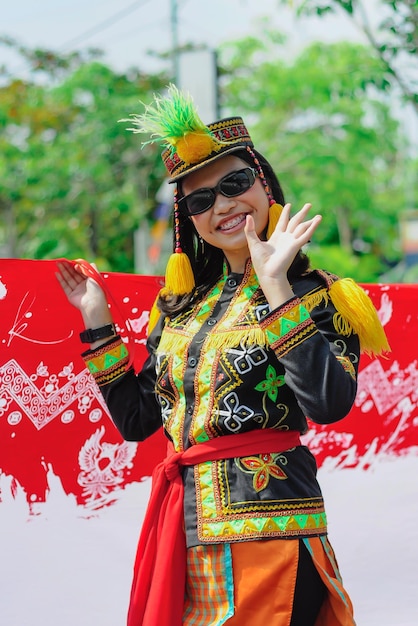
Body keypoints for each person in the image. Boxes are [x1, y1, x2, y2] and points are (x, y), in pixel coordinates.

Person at [56, 84, 389, 626]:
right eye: (201, 200)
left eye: (235, 183)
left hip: (269, 535)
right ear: (190, 219)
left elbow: (329, 404)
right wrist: (98, 323)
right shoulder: (180, 306)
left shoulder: (321, 295)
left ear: (264, 181)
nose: (224, 206)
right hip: (184, 535)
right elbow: (139, 420)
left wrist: (276, 283)